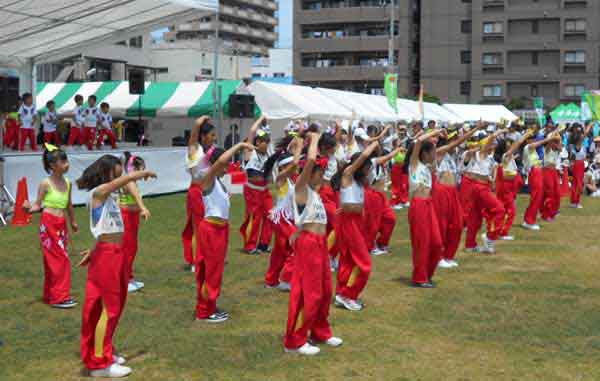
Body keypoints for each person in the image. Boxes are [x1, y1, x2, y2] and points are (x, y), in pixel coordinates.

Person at [77, 155, 156, 378]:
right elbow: (115, 185)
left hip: (113, 253)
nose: (120, 178)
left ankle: (105, 351)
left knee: (114, 307)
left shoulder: (108, 196)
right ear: (107, 173)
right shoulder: (98, 193)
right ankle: (100, 364)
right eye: (117, 174)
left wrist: (92, 251)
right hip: (109, 256)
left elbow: (103, 229)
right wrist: (141, 173)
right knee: (108, 309)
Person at [284, 133, 342, 355]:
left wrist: (297, 231)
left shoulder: (315, 194)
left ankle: (320, 332)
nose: (321, 172)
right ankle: (295, 341)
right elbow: (309, 161)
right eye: (318, 170)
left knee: (325, 290)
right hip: (309, 244)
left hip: (318, 243)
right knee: (306, 292)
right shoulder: (300, 188)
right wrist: (314, 139)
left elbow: (306, 219)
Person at [195, 141, 254, 323]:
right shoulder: (207, 178)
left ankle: (210, 305)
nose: (228, 166)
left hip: (219, 229)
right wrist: (240, 145)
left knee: (215, 270)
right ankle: (204, 311)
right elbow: (221, 161)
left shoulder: (218, 181)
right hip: (212, 229)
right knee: (211, 270)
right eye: (227, 163)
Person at [23, 144, 78, 308]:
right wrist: (27, 208)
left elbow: (69, 204)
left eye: (66, 160)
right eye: (63, 162)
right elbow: (37, 205)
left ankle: (50, 294)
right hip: (48, 223)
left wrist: (73, 221)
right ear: (53, 166)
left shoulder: (68, 183)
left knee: (53, 260)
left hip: (61, 225)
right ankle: (60, 297)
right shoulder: (45, 184)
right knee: (61, 260)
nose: (67, 164)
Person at [332, 141, 379, 311]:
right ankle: (348, 295)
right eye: (366, 167)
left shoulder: (359, 181)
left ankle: (341, 294)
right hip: (349, 222)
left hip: (354, 221)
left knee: (349, 261)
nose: (368, 170)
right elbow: (363, 157)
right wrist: (373, 145)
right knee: (363, 262)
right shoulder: (348, 174)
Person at [434, 124, 482, 268]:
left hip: (454, 191)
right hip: (441, 192)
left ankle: (449, 255)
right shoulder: (439, 152)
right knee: (442, 225)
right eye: (452, 139)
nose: (455, 141)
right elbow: (457, 143)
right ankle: (438, 257)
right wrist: (474, 130)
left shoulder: (452, 156)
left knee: (457, 224)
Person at [405, 129, 444, 288]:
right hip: (418, 205)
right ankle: (419, 278)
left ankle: (426, 274)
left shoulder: (428, 168)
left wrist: (437, 141)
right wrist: (436, 131)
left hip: (429, 205)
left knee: (436, 243)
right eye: (432, 152)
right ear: (424, 153)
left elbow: (435, 159)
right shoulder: (414, 164)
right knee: (422, 243)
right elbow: (419, 140)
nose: (434, 155)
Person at [264, 137, 303, 291]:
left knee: (280, 252)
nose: (297, 166)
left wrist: (293, 146)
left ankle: (271, 280)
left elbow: (293, 162)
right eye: (291, 165)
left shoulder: (291, 180)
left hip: (286, 219)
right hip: (282, 218)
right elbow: (294, 163)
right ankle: (286, 279)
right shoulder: (280, 179)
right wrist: (299, 146)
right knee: (298, 245)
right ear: (284, 167)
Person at [181, 116, 216, 271]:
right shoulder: (195, 149)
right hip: (196, 192)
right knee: (198, 227)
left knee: (208, 225)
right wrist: (200, 121)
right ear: (203, 136)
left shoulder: (209, 151)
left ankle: (205, 256)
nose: (214, 138)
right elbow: (194, 131)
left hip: (208, 192)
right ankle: (197, 260)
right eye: (211, 135)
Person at [240, 116, 274, 254]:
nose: (267, 144)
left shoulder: (267, 154)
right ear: (258, 142)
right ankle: (250, 245)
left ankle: (264, 244)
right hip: (252, 190)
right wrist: (261, 118)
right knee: (255, 218)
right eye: (265, 142)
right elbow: (252, 131)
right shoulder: (250, 152)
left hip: (264, 190)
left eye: (268, 141)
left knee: (270, 215)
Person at [363, 141, 403, 256]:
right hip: (372, 195)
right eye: (377, 148)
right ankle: (370, 246)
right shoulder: (371, 162)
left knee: (390, 219)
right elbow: (388, 156)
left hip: (381, 196)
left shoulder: (382, 165)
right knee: (373, 223)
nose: (379, 149)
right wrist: (396, 150)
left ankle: (382, 243)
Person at [119, 152, 151, 293]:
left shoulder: (130, 180)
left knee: (131, 248)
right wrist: (143, 208)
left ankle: (129, 277)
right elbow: (136, 196)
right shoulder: (129, 182)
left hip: (132, 217)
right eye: (142, 169)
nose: (144, 173)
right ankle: (124, 280)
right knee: (127, 249)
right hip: (127, 217)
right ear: (134, 169)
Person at [494, 131, 533, 240]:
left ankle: (499, 230)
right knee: (511, 211)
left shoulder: (508, 157)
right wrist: (524, 136)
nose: (511, 146)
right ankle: (503, 232)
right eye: (508, 145)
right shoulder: (505, 156)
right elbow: (517, 145)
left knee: (505, 210)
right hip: (506, 186)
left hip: (508, 186)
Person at [522, 130, 559, 230]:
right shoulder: (527, 148)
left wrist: (556, 132)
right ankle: (529, 221)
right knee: (535, 198)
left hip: (539, 172)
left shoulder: (537, 150)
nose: (534, 141)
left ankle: (529, 219)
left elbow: (546, 144)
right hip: (534, 172)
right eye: (532, 139)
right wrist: (549, 138)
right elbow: (540, 143)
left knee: (537, 198)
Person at [569, 123, 593, 209]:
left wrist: (571, 165)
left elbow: (571, 157)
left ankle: (573, 202)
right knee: (579, 184)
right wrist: (590, 125)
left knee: (575, 184)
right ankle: (577, 202)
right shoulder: (578, 143)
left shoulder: (572, 145)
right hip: (579, 164)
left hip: (575, 164)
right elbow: (585, 133)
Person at [541, 134, 563, 221]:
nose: (556, 144)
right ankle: (546, 215)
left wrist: (558, 139)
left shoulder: (557, 150)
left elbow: (560, 146)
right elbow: (549, 142)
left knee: (557, 193)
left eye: (557, 142)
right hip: (546, 171)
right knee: (549, 193)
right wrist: (553, 137)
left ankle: (554, 211)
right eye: (555, 142)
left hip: (554, 172)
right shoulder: (547, 149)